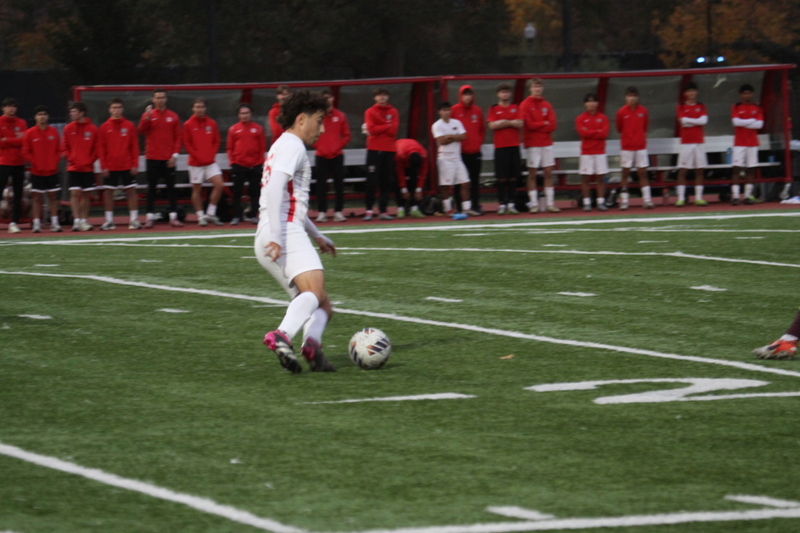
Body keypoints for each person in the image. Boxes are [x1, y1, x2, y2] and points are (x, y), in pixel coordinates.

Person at [257, 90, 337, 373]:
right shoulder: (293, 145)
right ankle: (282, 336)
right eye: (319, 120)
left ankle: (312, 347)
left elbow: (290, 200)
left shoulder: (284, 144)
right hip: (282, 231)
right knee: (315, 292)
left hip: (271, 230)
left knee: (323, 304)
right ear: (301, 119)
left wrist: (317, 235)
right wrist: (279, 236)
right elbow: (276, 189)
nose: (322, 128)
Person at [138, 88, 182, 228]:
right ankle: (150, 217)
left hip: (169, 159)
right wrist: (147, 118)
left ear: (166, 99)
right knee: (151, 189)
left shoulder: (173, 116)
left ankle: (173, 217)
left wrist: (174, 155)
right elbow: (141, 131)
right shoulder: (148, 115)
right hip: (152, 157)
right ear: (153, 99)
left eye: (162, 97)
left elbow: (177, 137)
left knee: (171, 189)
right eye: (157, 97)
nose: (160, 100)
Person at [98, 98, 141, 230]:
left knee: (131, 191)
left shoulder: (129, 126)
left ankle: (134, 219)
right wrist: (104, 166)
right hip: (111, 166)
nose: (116, 111)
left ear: (122, 109)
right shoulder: (104, 127)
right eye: (114, 108)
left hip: (127, 165)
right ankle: (109, 221)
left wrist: (135, 164)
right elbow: (101, 148)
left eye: (119, 108)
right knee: (109, 193)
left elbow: (134, 146)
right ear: (109, 110)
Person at [519, 78, 559, 213]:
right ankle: (534, 204)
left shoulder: (547, 105)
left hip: (546, 143)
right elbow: (529, 125)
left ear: (542, 88)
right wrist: (544, 123)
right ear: (530, 88)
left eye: (539, 86)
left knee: (548, 173)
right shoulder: (525, 105)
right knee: (533, 174)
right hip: (532, 144)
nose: (537, 89)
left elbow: (553, 124)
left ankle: (550, 204)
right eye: (535, 86)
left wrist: (541, 125)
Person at [183, 98, 224, 226]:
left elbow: (216, 140)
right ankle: (200, 216)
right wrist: (197, 156)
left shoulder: (212, 123)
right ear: (193, 108)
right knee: (197, 189)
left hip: (210, 162)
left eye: (202, 106)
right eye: (197, 107)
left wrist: (211, 154)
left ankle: (211, 213)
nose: (199, 109)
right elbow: (187, 143)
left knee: (219, 184)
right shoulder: (188, 124)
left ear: (205, 108)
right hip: (195, 163)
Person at [313, 88, 351, 223]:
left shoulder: (340, 116)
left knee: (339, 185)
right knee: (321, 185)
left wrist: (338, 146)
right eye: (324, 98)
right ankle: (322, 212)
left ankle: (338, 212)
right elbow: (310, 135)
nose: (327, 100)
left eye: (329, 97)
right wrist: (319, 146)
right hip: (321, 156)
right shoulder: (316, 116)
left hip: (337, 155)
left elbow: (346, 135)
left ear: (332, 99)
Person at [22, 105, 62, 232]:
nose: (42, 116)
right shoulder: (30, 133)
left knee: (53, 197)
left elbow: (59, 150)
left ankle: (55, 223)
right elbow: (25, 152)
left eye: (44, 114)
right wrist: (36, 163)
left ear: (48, 116)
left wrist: (53, 163)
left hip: (51, 171)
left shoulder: (54, 132)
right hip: (37, 171)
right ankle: (37, 223)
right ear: (35, 117)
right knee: (36, 198)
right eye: (39, 114)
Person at [363, 87, 399, 221]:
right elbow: (371, 129)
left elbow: (394, 131)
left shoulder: (393, 111)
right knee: (372, 180)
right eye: (379, 95)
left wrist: (382, 127)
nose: (382, 98)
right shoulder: (370, 111)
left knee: (386, 181)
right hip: (373, 149)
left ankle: (383, 210)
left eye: (384, 95)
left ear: (388, 97)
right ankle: (368, 210)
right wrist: (386, 125)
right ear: (375, 98)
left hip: (389, 150)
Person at [227, 103, 266, 225]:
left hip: (255, 165)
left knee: (255, 192)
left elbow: (262, 147)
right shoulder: (233, 129)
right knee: (237, 192)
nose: (244, 115)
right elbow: (230, 147)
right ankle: (237, 216)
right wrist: (233, 161)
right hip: (239, 165)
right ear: (238, 115)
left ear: (251, 114)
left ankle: (254, 215)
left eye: (247, 113)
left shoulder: (258, 128)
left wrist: (260, 162)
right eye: (242, 113)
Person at [62, 101, 98, 232]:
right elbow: (64, 147)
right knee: (75, 193)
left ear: (82, 113)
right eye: (71, 112)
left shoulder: (93, 129)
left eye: (74, 112)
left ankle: (84, 220)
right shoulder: (68, 128)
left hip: (87, 167)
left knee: (87, 195)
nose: (72, 114)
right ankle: (76, 221)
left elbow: (96, 148)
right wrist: (71, 159)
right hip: (73, 167)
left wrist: (90, 160)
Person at [615, 87, 653, 210]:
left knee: (643, 173)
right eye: (630, 96)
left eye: (634, 95)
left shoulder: (643, 111)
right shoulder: (621, 112)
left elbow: (645, 127)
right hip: (627, 147)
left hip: (641, 147)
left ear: (638, 97)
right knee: (625, 173)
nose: (632, 98)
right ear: (626, 97)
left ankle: (647, 200)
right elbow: (619, 128)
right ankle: (625, 200)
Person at [450, 85, 485, 216]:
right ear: (460, 96)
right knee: (460, 181)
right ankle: (459, 206)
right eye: (465, 94)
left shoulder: (477, 110)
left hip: (475, 152)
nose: (467, 97)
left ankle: (475, 206)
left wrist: (477, 144)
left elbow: (482, 130)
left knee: (475, 181)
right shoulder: (454, 110)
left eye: (469, 94)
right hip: (460, 153)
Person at [432, 102, 472, 216]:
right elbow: (442, 141)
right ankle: (448, 209)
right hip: (445, 158)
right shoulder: (437, 125)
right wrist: (456, 137)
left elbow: (464, 136)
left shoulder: (457, 122)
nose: (447, 112)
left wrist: (450, 136)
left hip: (457, 158)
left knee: (465, 182)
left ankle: (466, 208)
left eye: (448, 110)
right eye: (444, 110)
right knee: (446, 185)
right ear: (439, 112)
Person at [676, 82, 708, 207]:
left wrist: (690, 121)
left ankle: (699, 197)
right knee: (683, 170)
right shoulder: (681, 106)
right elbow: (683, 122)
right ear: (685, 93)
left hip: (699, 142)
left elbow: (704, 121)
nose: (691, 93)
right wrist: (696, 121)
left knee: (699, 170)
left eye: (693, 91)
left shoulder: (701, 106)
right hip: (686, 143)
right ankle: (680, 198)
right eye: (689, 91)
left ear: (696, 92)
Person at [730, 83, 764, 206]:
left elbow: (759, 125)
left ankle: (748, 195)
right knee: (736, 169)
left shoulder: (757, 107)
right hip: (739, 143)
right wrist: (751, 121)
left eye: (749, 92)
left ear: (752, 94)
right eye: (744, 93)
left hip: (753, 143)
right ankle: (735, 196)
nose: (747, 95)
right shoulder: (736, 106)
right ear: (741, 94)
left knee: (751, 169)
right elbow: (736, 122)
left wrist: (744, 122)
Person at [575, 93, 609, 212]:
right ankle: (586, 203)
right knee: (585, 178)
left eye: (594, 101)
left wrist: (590, 132)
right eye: (589, 101)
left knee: (600, 178)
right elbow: (583, 133)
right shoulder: (580, 118)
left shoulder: (603, 118)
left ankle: (601, 202)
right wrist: (596, 131)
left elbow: (604, 134)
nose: (592, 104)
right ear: (585, 104)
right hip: (587, 152)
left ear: (597, 103)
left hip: (600, 151)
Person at [0, 97, 27, 233]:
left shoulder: (21, 122)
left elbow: (23, 141)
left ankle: (14, 222)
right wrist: (14, 140)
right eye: (9, 106)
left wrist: (7, 140)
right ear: (3, 108)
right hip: (3, 162)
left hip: (18, 162)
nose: (12, 109)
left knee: (18, 194)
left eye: (14, 106)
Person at [394, 138, 427, 219]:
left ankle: (414, 208)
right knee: (396, 181)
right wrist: (404, 190)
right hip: (398, 154)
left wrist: (418, 190)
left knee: (414, 178)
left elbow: (424, 172)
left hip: (409, 154)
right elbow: (400, 173)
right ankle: (400, 208)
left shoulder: (424, 154)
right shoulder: (400, 155)